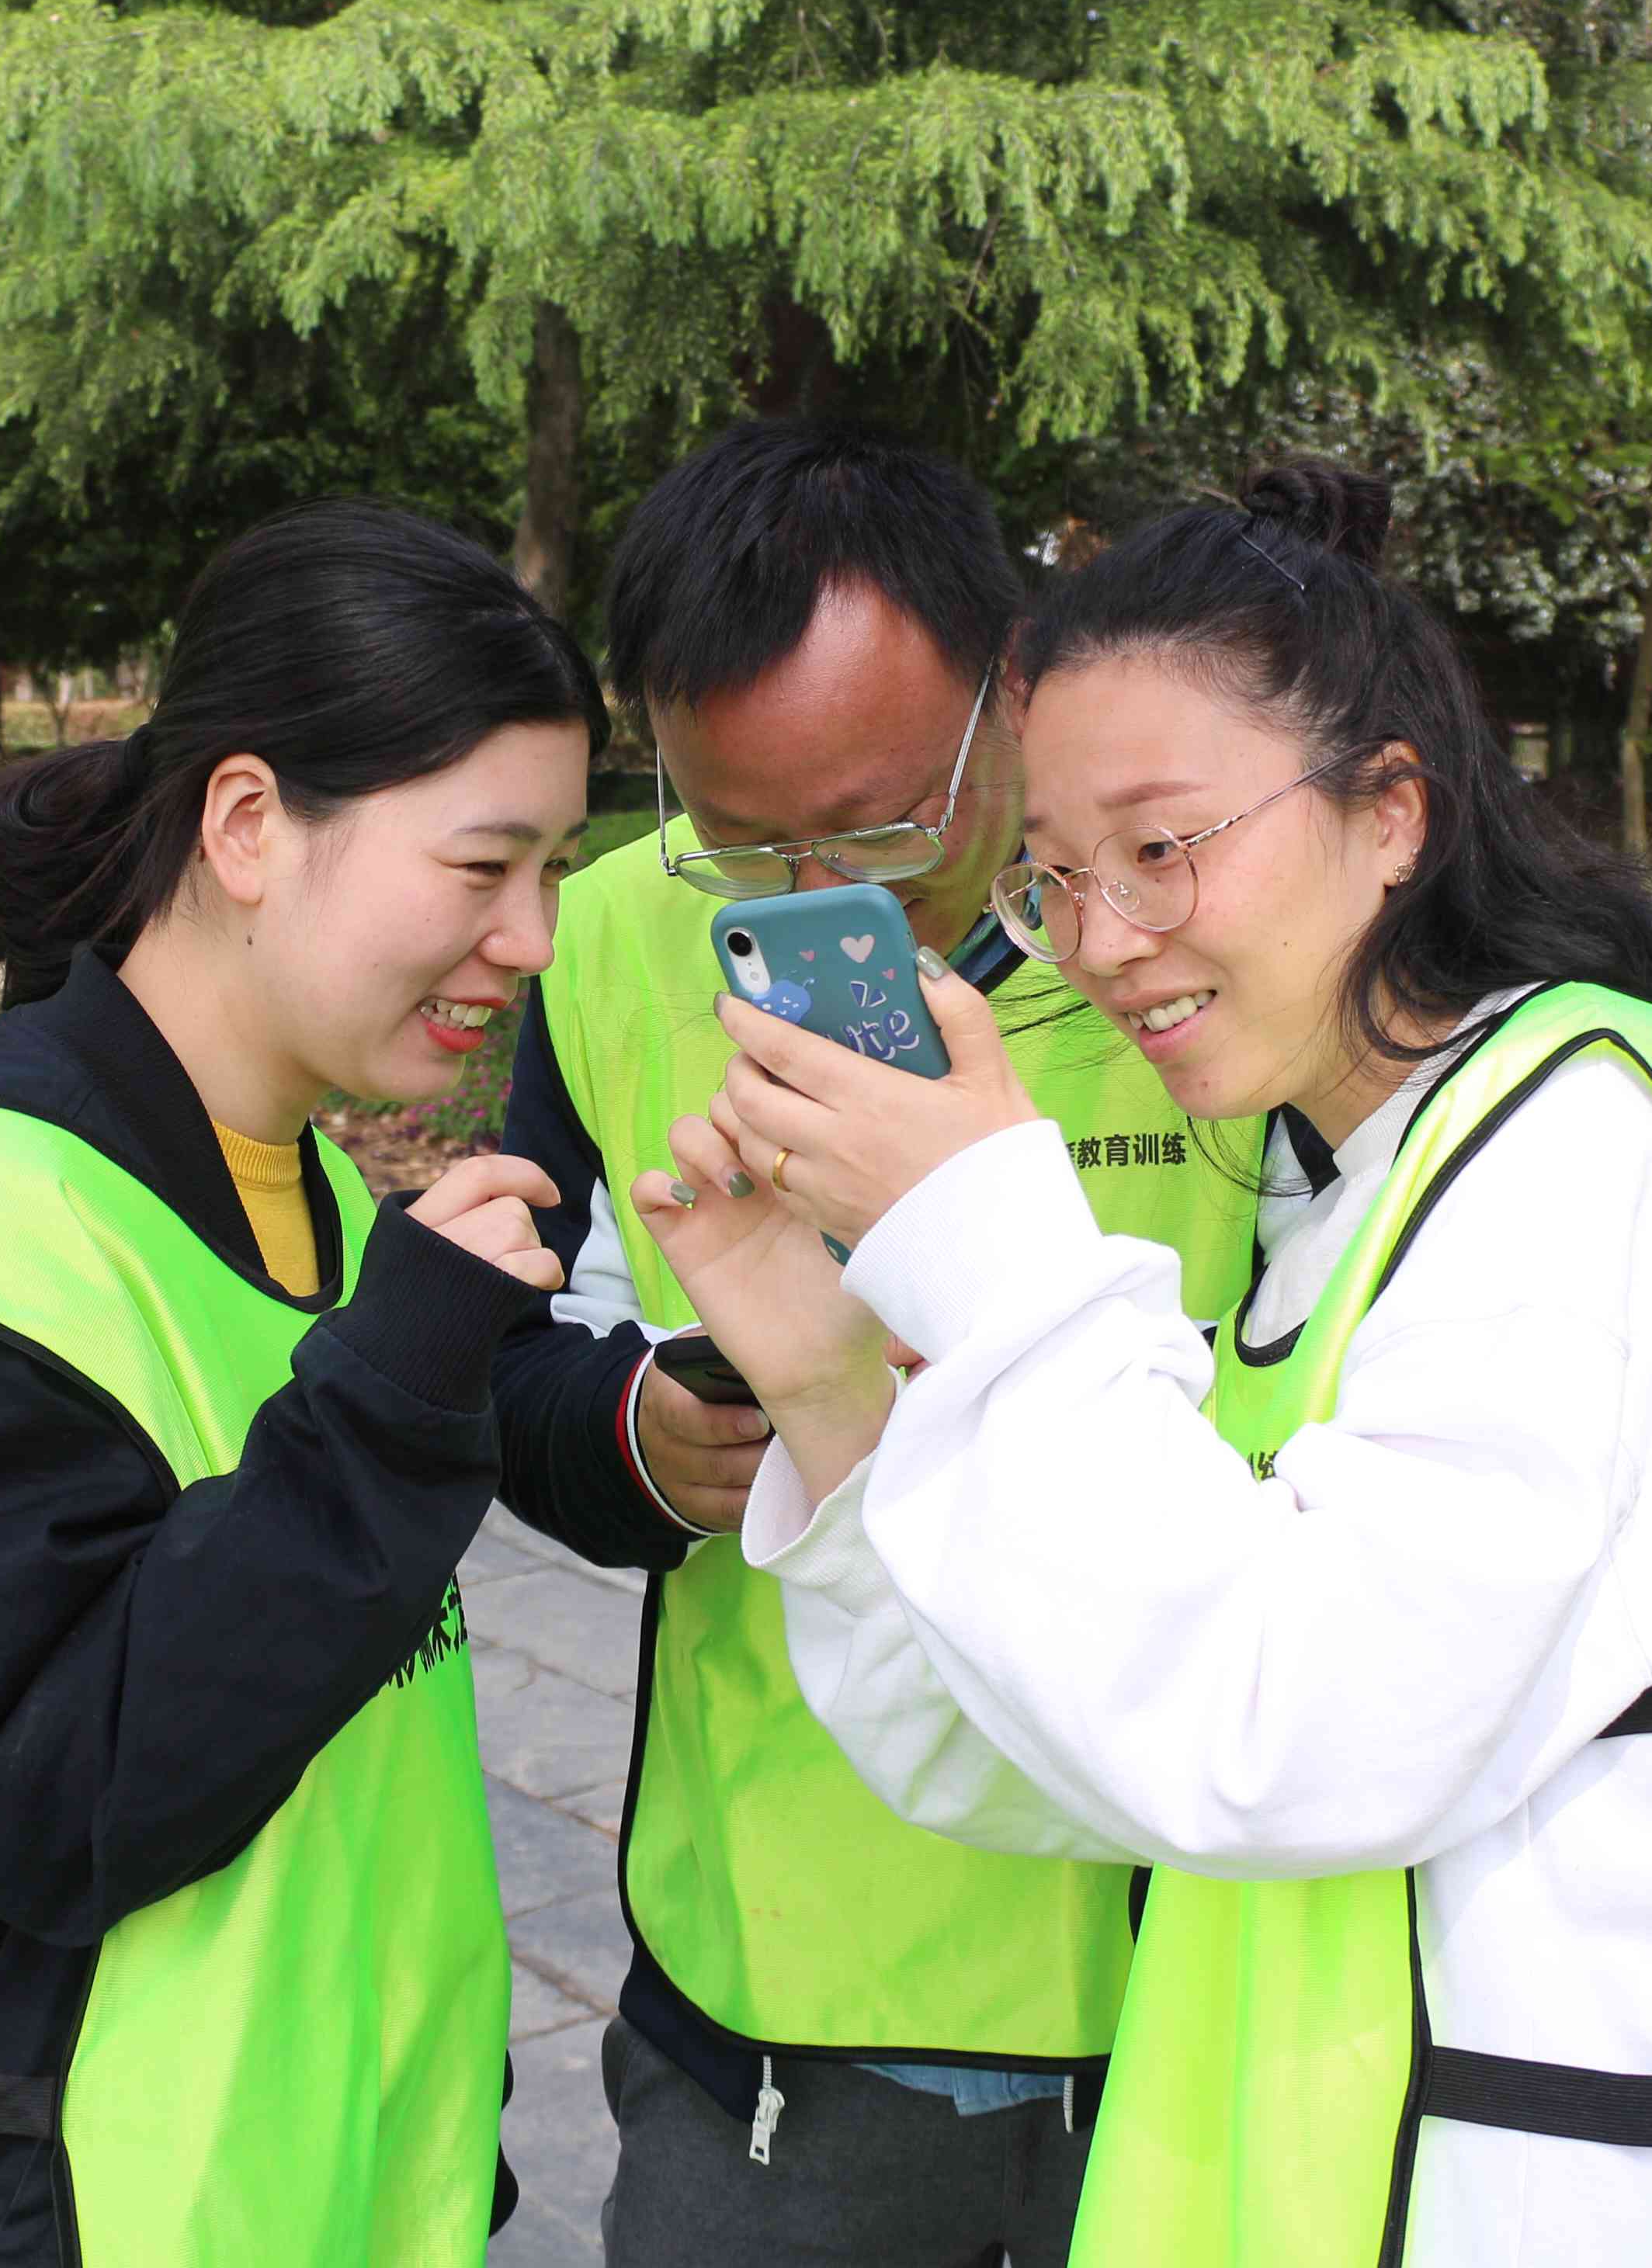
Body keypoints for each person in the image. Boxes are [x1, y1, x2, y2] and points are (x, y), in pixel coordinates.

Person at [642, 463, 1652, 2267]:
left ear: (1390, 812)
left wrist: (990, 1231)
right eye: (1051, 873)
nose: (1102, 938)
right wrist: (828, 1388)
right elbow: (1075, 1736)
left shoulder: (1588, 1155)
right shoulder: (1339, 1175)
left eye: (1162, 845)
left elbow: (1277, 1732)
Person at [0, 502, 601, 2267]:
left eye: (554, 869)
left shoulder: (285, 1176)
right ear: (245, 823)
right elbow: (64, 1798)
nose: (529, 936)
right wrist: (388, 1395)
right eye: (479, 864)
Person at [490, 424, 1258, 2265]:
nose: (825, 886)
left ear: (1013, 690)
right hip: (789, 1981)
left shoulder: (1203, 931)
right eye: (744, 835)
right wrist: (626, 1434)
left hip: (1204, 1948)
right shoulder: (604, 944)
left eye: (885, 816)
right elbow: (510, 1359)